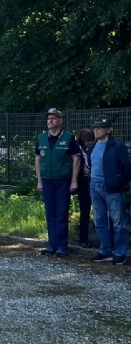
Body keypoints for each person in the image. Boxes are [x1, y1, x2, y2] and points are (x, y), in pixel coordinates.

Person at [35, 108, 81, 257]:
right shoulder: (41, 137)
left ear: (60, 121)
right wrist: (39, 181)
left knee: (61, 213)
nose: (50, 121)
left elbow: (76, 158)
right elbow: (37, 159)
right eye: (48, 118)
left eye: (53, 118)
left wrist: (74, 181)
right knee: (50, 213)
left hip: (63, 180)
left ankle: (62, 246)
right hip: (47, 180)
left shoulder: (68, 137)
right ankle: (51, 244)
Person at [88, 116, 131, 265]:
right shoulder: (93, 146)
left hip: (112, 187)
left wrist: (119, 183)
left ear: (108, 130)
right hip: (95, 186)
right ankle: (105, 250)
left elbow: (127, 168)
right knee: (99, 220)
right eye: (95, 127)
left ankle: (120, 253)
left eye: (99, 127)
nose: (96, 130)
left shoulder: (117, 145)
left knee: (117, 221)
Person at [76, 128, 94, 248]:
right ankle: (83, 238)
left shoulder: (95, 148)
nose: (89, 143)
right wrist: (82, 169)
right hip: (83, 182)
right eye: (87, 141)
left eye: (90, 140)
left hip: (94, 179)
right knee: (84, 210)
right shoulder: (77, 150)